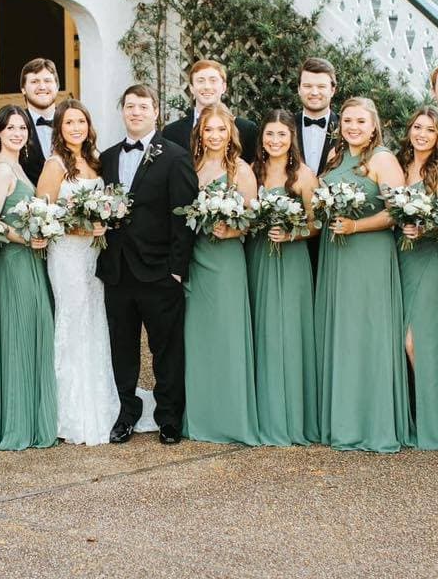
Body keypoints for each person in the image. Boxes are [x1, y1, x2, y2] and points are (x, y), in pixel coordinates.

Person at [98, 84, 200, 445]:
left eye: (143, 106)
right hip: (117, 270)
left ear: (156, 111)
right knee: (122, 347)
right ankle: (126, 413)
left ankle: (169, 417)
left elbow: (184, 216)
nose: (136, 112)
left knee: (166, 348)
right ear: (122, 111)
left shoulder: (175, 156)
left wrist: (177, 268)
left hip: (160, 271)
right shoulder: (107, 157)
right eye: (130, 106)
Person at [314, 97, 411, 452]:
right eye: (348, 121)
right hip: (336, 254)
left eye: (360, 122)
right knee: (343, 333)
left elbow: (396, 213)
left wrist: (356, 225)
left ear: (374, 126)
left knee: (367, 333)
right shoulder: (334, 158)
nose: (353, 127)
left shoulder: (383, 159)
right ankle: (341, 419)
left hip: (368, 254)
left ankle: (371, 423)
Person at [36, 99, 127, 445]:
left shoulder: (94, 160)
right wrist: (80, 228)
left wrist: (101, 222)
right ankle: (67, 411)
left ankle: (99, 401)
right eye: (69, 122)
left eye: (81, 122)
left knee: (94, 319)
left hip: (94, 255)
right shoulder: (55, 164)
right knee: (72, 320)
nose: (76, 127)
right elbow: (44, 215)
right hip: (68, 255)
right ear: (59, 127)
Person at [0, 106, 58, 451]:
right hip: (13, 263)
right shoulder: (0, 169)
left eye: (21, 127)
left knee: (32, 331)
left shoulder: (18, 168)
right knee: (18, 335)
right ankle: (16, 422)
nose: (17, 132)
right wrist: (22, 237)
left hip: (29, 260)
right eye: (9, 127)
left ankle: (31, 416)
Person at [182, 104, 260, 445]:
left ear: (231, 133)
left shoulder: (240, 170)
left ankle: (230, 418)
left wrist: (233, 231)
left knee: (228, 336)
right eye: (208, 130)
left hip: (227, 260)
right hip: (196, 258)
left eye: (220, 130)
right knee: (197, 338)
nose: (214, 136)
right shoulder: (190, 166)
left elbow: (253, 217)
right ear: (200, 134)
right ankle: (200, 415)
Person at [247, 109, 318, 446]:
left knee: (290, 331)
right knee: (263, 329)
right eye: (269, 134)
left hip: (291, 262)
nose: (274, 141)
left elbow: (316, 224)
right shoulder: (251, 171)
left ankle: (293, 416)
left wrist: (292, 233)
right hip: (259, 258)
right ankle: (264, 412)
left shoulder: (304, 175)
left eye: (281, 135)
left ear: (292, 139)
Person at [394, 106, 438, 451]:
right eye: (417, 127)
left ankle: (432, 423)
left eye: (430, 130)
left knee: (418, 342)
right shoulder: (399, 166)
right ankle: (408, 418)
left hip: (427, 259)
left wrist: (422, 227)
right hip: (397, 259)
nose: (421, 134)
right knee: (397, 342)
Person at [162, 59, 259, 164]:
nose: (207, 87)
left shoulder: (247, 130)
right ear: (191, 88)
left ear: (223, 87)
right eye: (200, 81)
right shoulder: (171, 133)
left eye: (213, 80)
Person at [16, 57, 61, 182]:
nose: (42, 86)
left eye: (47, 81)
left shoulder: (73, 122)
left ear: (57, 86)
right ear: (23, 89)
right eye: (34, 81)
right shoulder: (12, 125)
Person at [296, 57, 339, 173]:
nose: (314, 92)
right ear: (299, 89)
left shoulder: (346, 129)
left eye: (321, 86)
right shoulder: (286, 126)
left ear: (332, 90)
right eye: (307, 86)